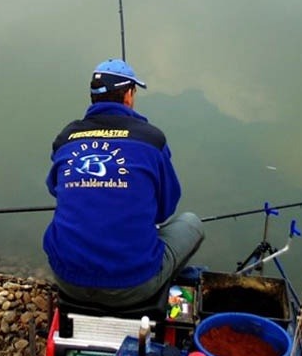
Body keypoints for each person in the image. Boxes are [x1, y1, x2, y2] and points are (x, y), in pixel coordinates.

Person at [43, 58, 204, 310]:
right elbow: (165, 210)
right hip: (133, 286)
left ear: (93, 97)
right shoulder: (152, 139)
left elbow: (55, 189)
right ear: (129, 95)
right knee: (192, 223)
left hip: (67, 278)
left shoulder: (66, 138)